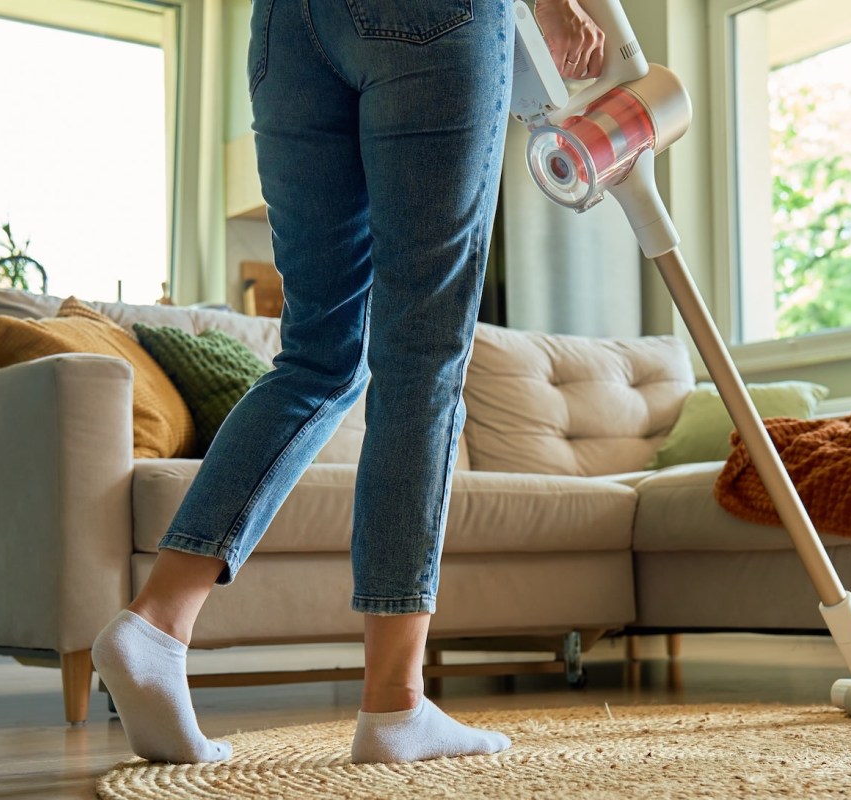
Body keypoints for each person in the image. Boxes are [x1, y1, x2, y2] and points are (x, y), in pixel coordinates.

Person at [91, 0, 605, 766]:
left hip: (284, 29)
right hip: (431, 18)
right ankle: (394, 705)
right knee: (421, 358)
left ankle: (157, 622)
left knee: (315, 357)